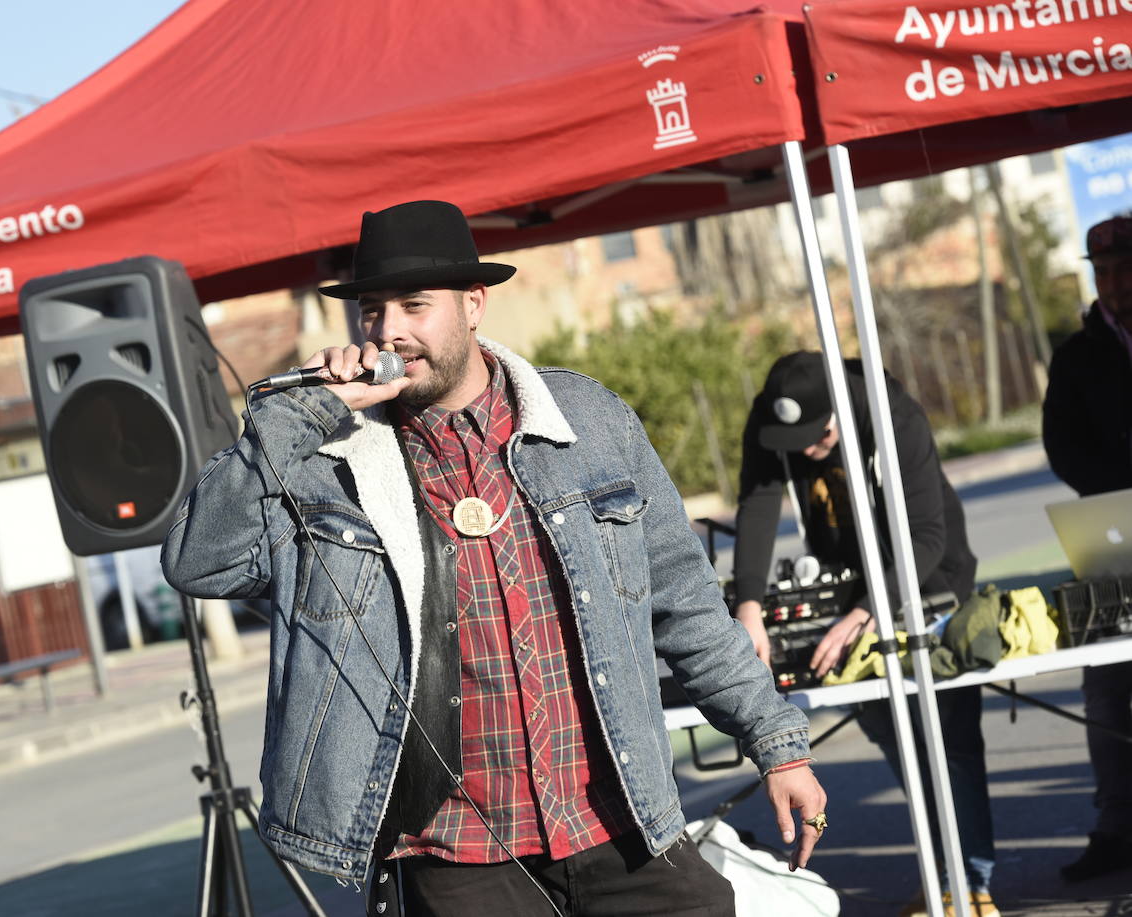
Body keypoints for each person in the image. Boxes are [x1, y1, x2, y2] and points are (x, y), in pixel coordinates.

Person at [162, 200, 827, 916]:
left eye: (415, 305)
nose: (390, 331)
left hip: (620, 822)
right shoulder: (328, 458)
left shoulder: (589, 421)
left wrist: (777, 742)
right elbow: (199, 562)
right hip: (454, 856)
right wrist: (297, 415)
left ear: (474, 303)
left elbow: (686, 603)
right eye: (373, 312)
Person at [731, 351, 998, 917]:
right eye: (793, 440)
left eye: (818, 434)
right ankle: (942, 874)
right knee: (894, 734)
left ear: (839, 411)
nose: (806, 449)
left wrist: (870, 612)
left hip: (928, 581)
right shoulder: (769, 423)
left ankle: (969, 886)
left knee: (948, 743)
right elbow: (756, 508)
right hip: (849, 592)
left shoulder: (888, 409)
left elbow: (926, 534)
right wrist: (749, 602)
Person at [1041, 214, 1132, 882]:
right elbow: (1060, 445)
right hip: (1110, 528)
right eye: (1104, 271)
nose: (1115, 282)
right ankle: (1116, 825)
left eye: (1125, 268)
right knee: (1104, 686)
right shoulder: (1076, 354)